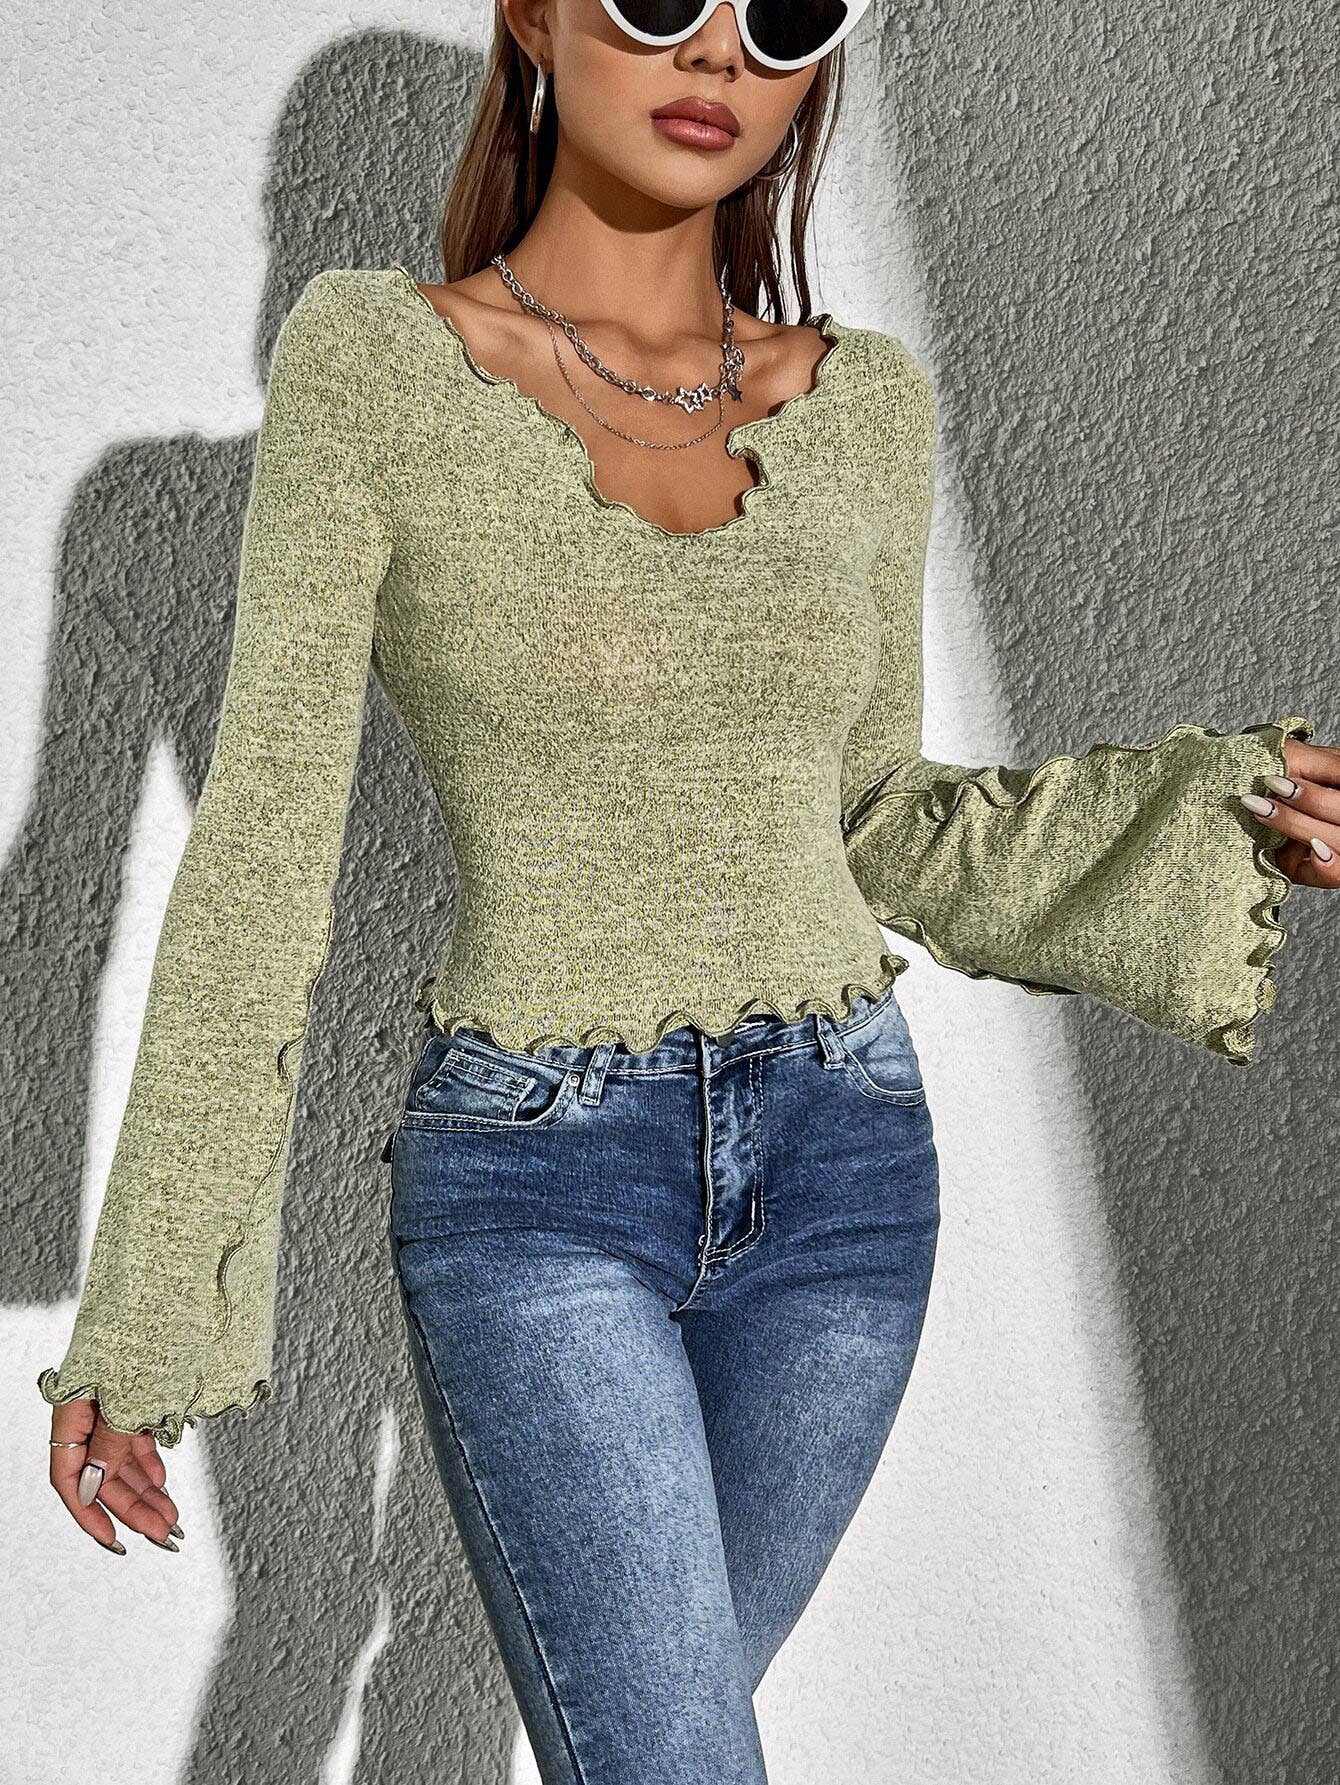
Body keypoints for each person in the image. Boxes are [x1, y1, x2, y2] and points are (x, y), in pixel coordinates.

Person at [41, 2, 1337, 1779]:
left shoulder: (865, 404)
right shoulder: (375, 366)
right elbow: (262, 855)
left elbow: (878, 820)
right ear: (536, 15)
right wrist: (149, 1311)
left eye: (786, 11)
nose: (720, 50)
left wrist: (1218, 818)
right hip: (538, 1178)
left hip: (848, 1175)